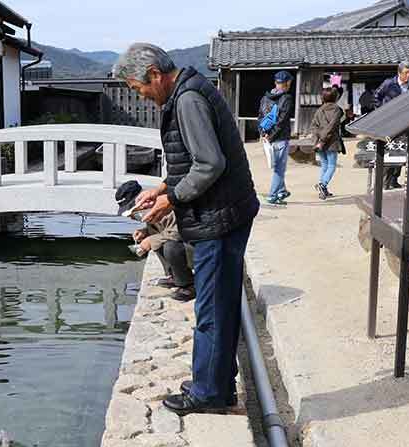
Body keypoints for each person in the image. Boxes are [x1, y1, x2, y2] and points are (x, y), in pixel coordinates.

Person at [114, 43, 259, 415]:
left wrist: (172, 198)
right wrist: (163, 187)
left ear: (155, 75)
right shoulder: (187, 92)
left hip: (219, 217)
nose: (141, 96)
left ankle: (208, 393)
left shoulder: (188, 100)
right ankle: (218, 384)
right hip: (224, 212)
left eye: (138, 88)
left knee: (212, 308)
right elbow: (192, 160)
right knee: (221, 304)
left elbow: (209, 164)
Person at [116, 180, 195, 302]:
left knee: (170, 247)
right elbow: (162, 230)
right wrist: (145, 232)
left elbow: (177, 232)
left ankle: (187, 285)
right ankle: (174, 276)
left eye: (132, 209)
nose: (132, 215)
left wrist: (150, 240)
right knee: (158, 241)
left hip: (194, 247)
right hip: (183, 243)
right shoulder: (150, 210)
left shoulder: (166, 206)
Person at [375, 61, 409, 189]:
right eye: (406, 73)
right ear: (399, 73)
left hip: (406, 121)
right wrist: (381, 111)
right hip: (389, 121)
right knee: (389, 149)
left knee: (401, 149)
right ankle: (384, 180)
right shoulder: (389, 83)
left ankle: (394, 179)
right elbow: (377, 96)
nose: (408, 75)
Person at [259, 71, 294, 205]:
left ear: (275, 82)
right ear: (287, 83)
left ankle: (281, 191)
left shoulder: (265, 98)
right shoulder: (286, 98)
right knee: (279, 169)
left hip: (268, 136)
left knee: (278, 167)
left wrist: (264, 133)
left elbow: (260, 117)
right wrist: (272, 136)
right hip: (280, 137)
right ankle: (272, 195)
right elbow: (281, 121)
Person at [310, 87, 345, 200]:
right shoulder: (337, 110)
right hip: (330, 142)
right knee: (331, 166)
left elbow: (314, 126)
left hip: (319, 142)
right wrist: (322, 140)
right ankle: (323, 184)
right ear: (336, 97)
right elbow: (331, 127)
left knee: (324, 165)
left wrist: (316, 140)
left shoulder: (319, 110)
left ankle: (323, 189)